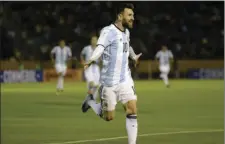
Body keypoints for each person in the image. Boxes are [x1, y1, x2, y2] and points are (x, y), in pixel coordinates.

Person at [81, 3, 141, 144]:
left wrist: (133, 56)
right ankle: (90, 101)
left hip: (125, 78)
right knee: (109, 117)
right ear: (120, 16)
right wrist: (91, 59)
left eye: (133, 15)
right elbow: (100, 47)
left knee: (132, 109)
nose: (133, 18)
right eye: (130, 15)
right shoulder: (108, 31)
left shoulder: (126, 32)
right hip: (109, 82)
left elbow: (127, 44)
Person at [80, 35, 100, 99]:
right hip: (88, 67)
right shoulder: (87, 48)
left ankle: (91, 99)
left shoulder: (99, 49)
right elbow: (81, 55)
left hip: (96, 67)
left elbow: (101, 59)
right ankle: (89, 98)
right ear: (91, 41)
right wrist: (83, 61)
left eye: (95, 40)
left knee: (96, 86)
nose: (94, 41)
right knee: (91, 83)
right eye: (93, 40)